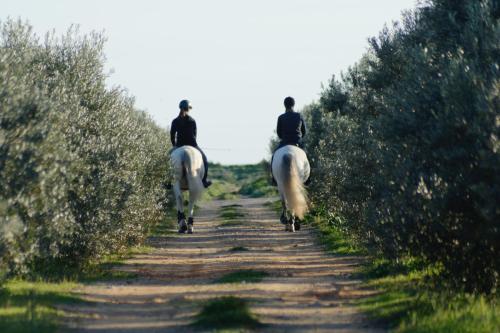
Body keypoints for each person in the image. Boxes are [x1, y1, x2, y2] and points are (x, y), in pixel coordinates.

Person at [170, 99, 212, 188]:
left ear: (180, 108)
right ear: (188, 109)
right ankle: (204, 181)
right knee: (204, 159)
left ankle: (167, 181)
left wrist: (175, 146)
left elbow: (172, 135)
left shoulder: (175, 121)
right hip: (192, 144)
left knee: (166, 159)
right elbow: (194, 135)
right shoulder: (192, 121)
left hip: (179, 145)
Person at [271, 96, 309, 185]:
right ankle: (308, 178)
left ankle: (273, 178)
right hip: (297, 143)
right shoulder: (299, 116)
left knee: (274, 157)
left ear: (284, 105)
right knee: (307, 157)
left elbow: (279, 133)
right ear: (293, 105)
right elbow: (304, 131)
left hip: (284, 142)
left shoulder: (281, 117)